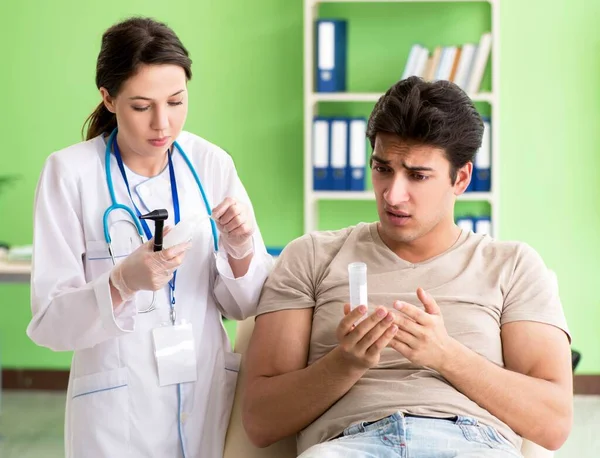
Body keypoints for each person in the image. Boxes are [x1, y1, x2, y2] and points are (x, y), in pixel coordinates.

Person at [242, 77, 573, 457]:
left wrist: (446, 355)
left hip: (470, 444)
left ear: (460, 178)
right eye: (383, 169)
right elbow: (260, 421)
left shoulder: (512, 266)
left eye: (417, 175)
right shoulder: (311, 257)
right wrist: (345, 363)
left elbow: (553, 424)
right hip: (349, 445)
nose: (392, 194)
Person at [27, 16, 271, 458]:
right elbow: (49, 323)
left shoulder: (211, 164)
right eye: (142, 106)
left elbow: (247, 305)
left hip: (204, 394)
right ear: (109, 97)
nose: (164, 123)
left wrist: (240, 249)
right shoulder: (70, 174)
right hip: (118, 412)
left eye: (177, 101)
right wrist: (121, 284)